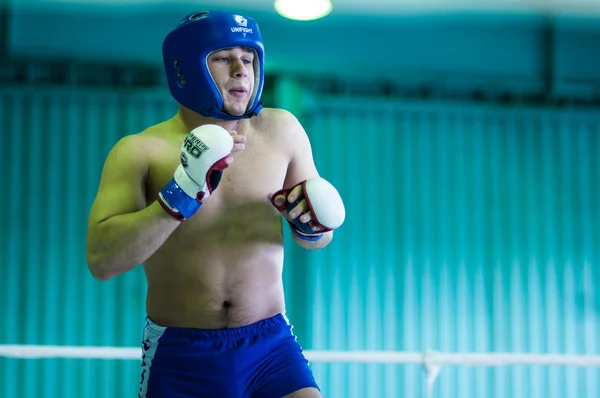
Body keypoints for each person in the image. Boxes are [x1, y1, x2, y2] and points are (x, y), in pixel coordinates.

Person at [85, 10, 345, 398]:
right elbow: (102, 262)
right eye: (224, 57)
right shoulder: (140, 151)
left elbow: (315, 239)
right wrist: (179, 194)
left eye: (250, 57)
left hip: (270, 345)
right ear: (186, 68)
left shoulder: (283, 130)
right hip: (182, 353)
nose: (242, 69)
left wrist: (311, 224)